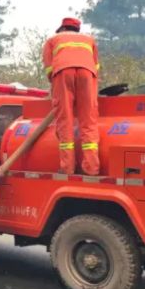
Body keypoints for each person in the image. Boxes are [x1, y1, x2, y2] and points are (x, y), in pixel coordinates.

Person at [43, 17, 101, 176]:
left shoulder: (53, 40)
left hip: (63, 72)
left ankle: (67, 168)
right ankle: (92, 168)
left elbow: (49, 70)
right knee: (88, 120)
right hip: (87, 74)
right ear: (77, 30)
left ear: (62, 28)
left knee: (65, 119)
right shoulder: (89, 39)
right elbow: (96, 67)